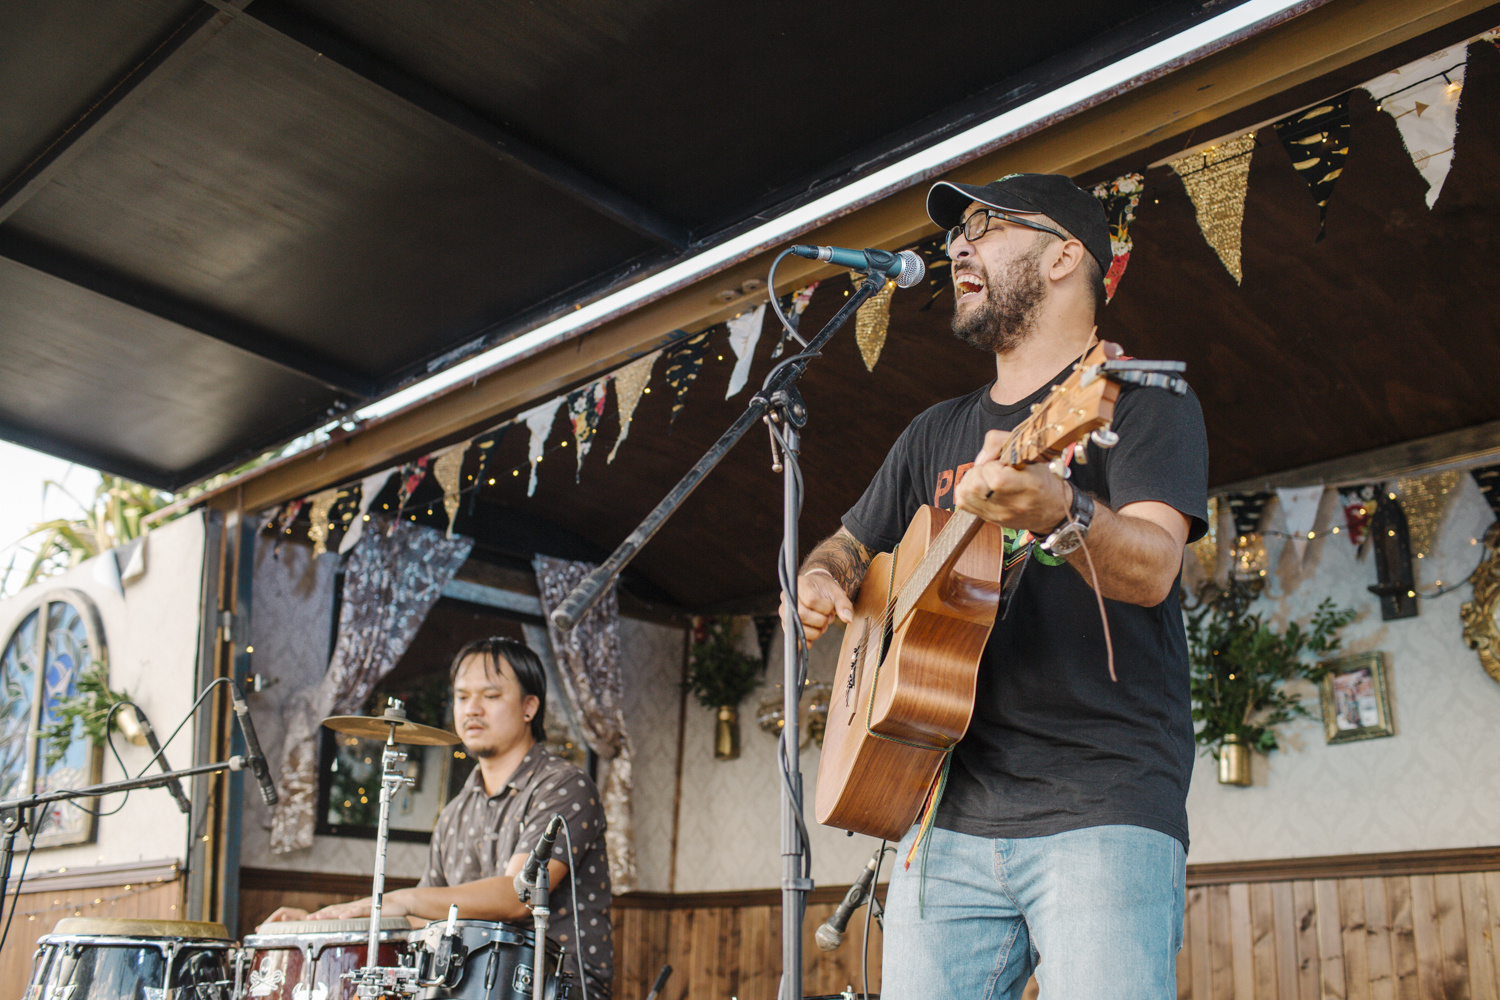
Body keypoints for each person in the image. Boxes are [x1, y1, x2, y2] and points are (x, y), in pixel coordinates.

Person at [789, 174, 1208, 999]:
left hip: (1103, 799)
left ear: (1064, 256)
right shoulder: (933, 431)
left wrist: (1064, 511)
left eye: (988, 225)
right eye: (957, 230)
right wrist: (821, 580)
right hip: (940, 809)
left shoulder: (1144, 400)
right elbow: (847, 545)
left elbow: (1156, 568)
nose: (957, 243)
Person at [266, 637, 613, 998]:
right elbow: (421, 922)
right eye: (462, 697)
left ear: (529, 707)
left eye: (490, 696)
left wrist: (405, 899)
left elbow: (517, 895)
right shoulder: (456, 812)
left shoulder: (565, 786)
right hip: (472, 987)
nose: (472, 709)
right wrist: (324, 922)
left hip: (556, 987)